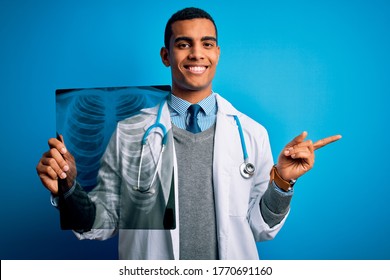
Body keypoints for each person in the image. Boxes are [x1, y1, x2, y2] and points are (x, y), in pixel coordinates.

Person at [36, 7, 341, 260]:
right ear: (166, 55)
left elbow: (260, 227)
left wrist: (283, 181)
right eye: (184, 44)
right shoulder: (131, 131)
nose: (197, 54)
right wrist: (69, 188)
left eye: (207, 44)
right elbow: (104, 221)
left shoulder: (250, 132)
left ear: (217, 53)